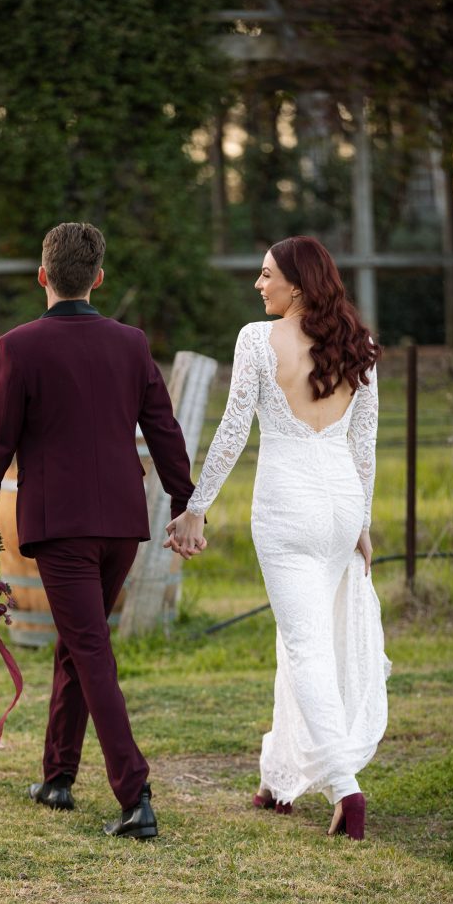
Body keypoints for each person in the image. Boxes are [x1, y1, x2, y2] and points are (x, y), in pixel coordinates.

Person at [0, 222, 199, 840]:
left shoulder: (18, 347)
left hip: (60, 526)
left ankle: (134, 794)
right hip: (121, 523)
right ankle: (57, 776)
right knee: (79, 641)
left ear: (43, 277)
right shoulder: (132, 343)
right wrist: (184, 503)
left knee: (88, 647)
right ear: (98, 278)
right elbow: (164, 431)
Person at [165, 236, 390, 840]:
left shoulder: (257, 341)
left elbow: (233, 431)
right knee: (298, 640)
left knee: (307, 646)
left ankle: (346, 789)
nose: (258, 285)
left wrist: (195, 508)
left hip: (288, 512)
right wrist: (362, 523)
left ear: (297, 283)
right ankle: (279, 775)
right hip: (341, 505)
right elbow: (362, 446)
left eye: (266, 275)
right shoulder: (357, 344)